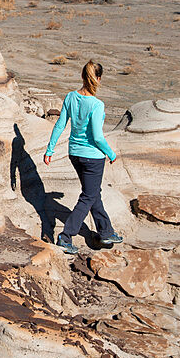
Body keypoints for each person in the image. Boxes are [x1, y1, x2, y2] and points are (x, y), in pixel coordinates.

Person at [43, 60, 122, 255]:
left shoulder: (70, 97)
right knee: (88, 196)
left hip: (74, 154)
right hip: (93, 157)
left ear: (82, 76)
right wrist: (111, 153)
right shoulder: (97, 104)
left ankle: (106, 231)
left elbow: (60, 125)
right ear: (99, 79)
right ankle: (65, 236)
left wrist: (50, 150)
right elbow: (97, 136)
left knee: (93, 192)